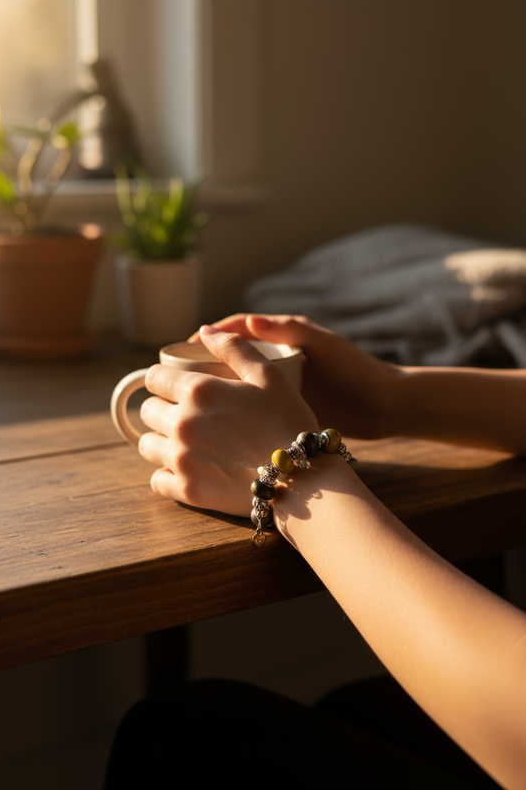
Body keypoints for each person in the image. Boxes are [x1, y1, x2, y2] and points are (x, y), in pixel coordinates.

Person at [105, 314, 526, 790]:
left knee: (185, 733)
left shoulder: (293, 477)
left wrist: (294, 478)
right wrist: (388, 397)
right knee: (360, 711)